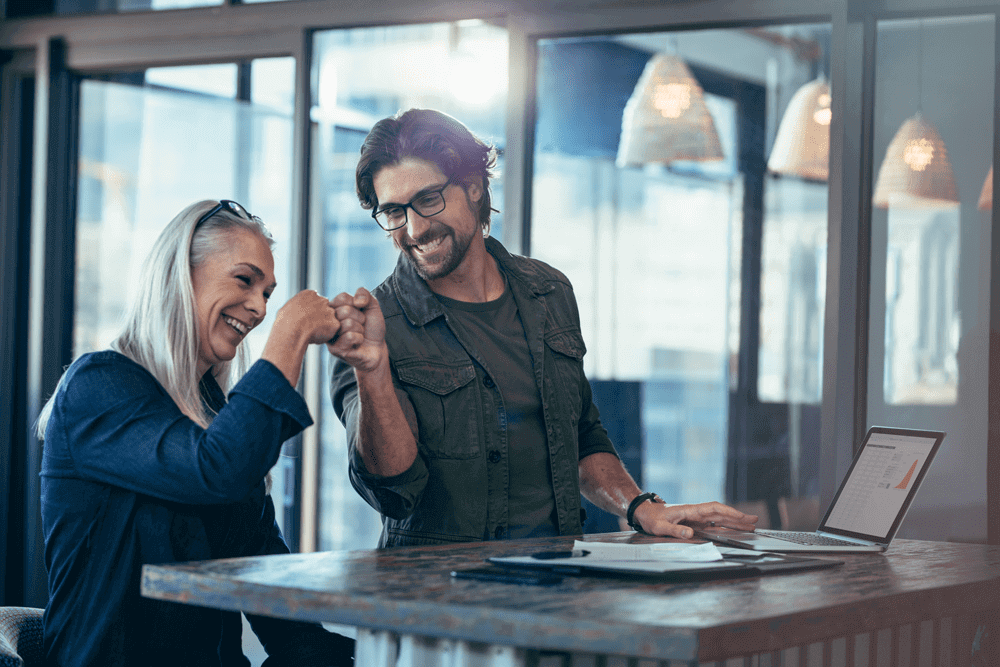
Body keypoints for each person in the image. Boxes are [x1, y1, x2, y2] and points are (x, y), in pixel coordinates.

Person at [328, 108, 758, 548]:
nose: (415, 228)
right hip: (434, 600)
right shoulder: (372, 330)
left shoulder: (548, 292)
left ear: (474, 187)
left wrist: (639, 507)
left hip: (556, 585)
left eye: (428, 199)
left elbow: (579, 435)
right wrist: (372, 370)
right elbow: (391, 491)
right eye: (394, 212)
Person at [36, 200, 354, 667]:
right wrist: (291, 331)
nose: (260, 308)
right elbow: (216, 469)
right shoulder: (97, 386)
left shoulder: (217, 417)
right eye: (245, 280)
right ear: (179, 274)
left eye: (268, 294)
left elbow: (268, 580)